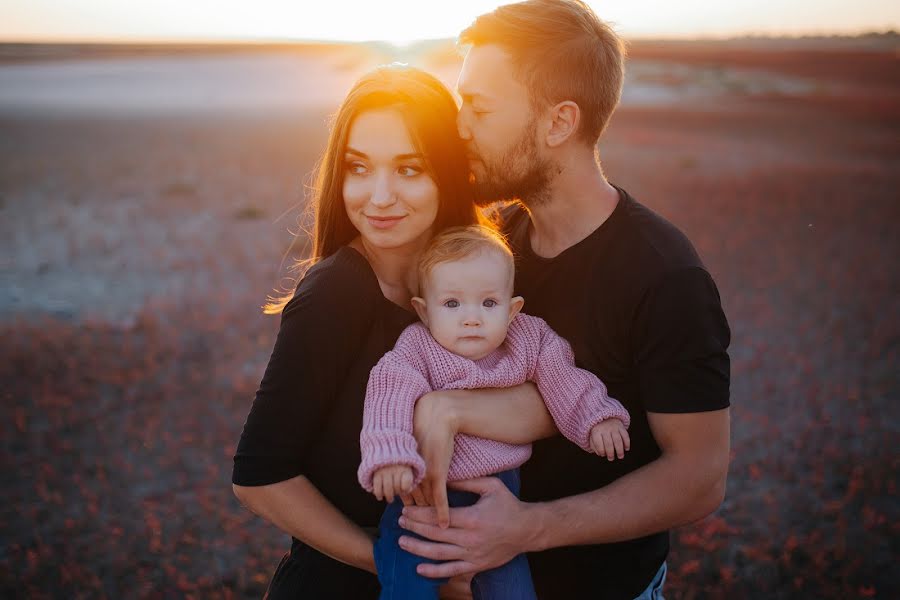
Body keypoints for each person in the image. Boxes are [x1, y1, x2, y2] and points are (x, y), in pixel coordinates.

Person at [397, 2, 732, 599]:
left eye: (480, 107)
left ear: (558, 123)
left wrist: (530, 530)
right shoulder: (491, 248)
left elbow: (700, 478)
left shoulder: (664, 275)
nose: (460, 127)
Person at [230, 64, 483, 598]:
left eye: (410, 169)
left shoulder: (476, 281)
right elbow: (260, 478)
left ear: (449, 172)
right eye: (359, 168)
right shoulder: (334, 294)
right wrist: (400, 567)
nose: (380, 196)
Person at [358, 224, 631, 599]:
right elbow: (387, 398)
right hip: (422, 498)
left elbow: (563, 377)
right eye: (452, 304)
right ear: (423, 311)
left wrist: (598, 416)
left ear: (513, 308)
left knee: (512, 589)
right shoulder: (416, 349)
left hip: (499, 500)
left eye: (488, 303)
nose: (472, 318)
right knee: (408, 580)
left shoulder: (528, 339)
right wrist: (390, 458)